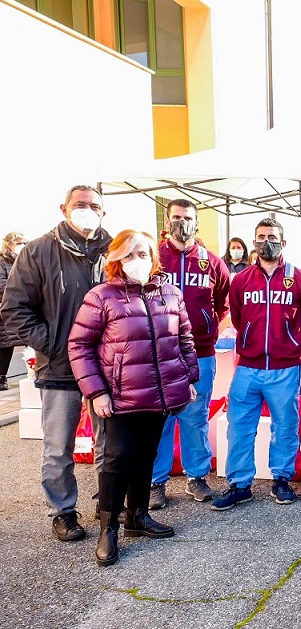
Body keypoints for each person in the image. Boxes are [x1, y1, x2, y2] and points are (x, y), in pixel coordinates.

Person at [67, 230, 198, 566]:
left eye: (142, 254)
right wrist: (96, 391)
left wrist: (189, 377)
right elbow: (79, 346)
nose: (136, 261)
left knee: (145, 455)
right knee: (118, 457)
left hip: (159, 393)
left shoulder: (170, 293)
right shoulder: (102, 297)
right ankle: (109, 527)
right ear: (115, 260)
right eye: (128, 255)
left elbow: (184, 339)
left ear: (153, 257)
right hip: (119, 396)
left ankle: (138, 517)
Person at [1, 185, 111, 542]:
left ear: (103, 212)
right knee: (58, 446)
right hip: (60, 368)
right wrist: (51, 343)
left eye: (94, 206)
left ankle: (106, 501)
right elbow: (13, 308)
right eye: (80, 205)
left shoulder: (113, 249)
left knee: (107, 443)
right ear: (64, 208)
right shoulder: (37, 252)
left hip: (104, 368)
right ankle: (63, 510)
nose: (87, 211)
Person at [211, 218, 301, 511]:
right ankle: (239, 484)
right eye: (260, 236)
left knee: (285, 426)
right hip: (248, 367)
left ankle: (281, 478)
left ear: (283, 243)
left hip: (285, 368)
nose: (265, 241)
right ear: (253, 242)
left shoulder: (300, 279)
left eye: (272, 236)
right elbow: (238, 317)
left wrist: (291, 344)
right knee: (240, 426)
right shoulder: (242, 280)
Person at [148, 199, 230, 509]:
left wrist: (211, 327)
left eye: (189, 217)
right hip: (160, 352)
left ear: (197, 222)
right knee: (162, 417)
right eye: (177, 217)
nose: (183, 222)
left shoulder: (210, 261)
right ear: (167, 221)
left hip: (201, 351)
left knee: (196, 415)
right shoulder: (154, 257)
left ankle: (197, 476)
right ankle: (156, 481)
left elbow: (223, 302)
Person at [0, 231, 27, 391]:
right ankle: (1, 377)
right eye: (18, 242)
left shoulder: (26, 260)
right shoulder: (2, 261)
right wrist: (19, 287)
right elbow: (1, 284)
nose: (21, 246)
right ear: (9, 244)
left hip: (24, 307)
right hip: (7, 307)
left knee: (30, 341)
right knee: (5, 346)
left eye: (23, 242)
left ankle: (33, 372)